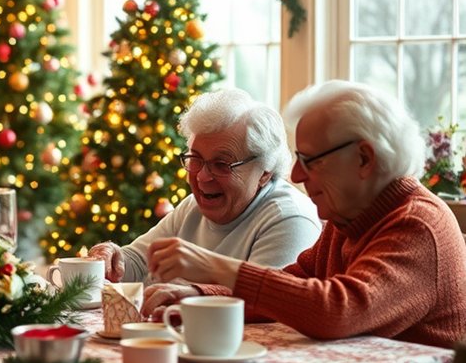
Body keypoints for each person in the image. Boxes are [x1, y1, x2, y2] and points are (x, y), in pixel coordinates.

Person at [144, 80, 466, 348]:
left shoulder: (418, 225)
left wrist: (215, 267)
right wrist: (200, 294)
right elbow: (291, 286)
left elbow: (338, 311)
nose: (296, 175)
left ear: (364, 159)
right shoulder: (349, 216)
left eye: (310, 161)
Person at [87, 88, 321, 294]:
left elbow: (266, 299)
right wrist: (113, 258)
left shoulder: (289, 218)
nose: (202, 177)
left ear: (265, 172)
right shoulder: (192, 207)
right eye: (195, 159)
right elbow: (138, 262)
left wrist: (194, 292)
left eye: (222, 164)